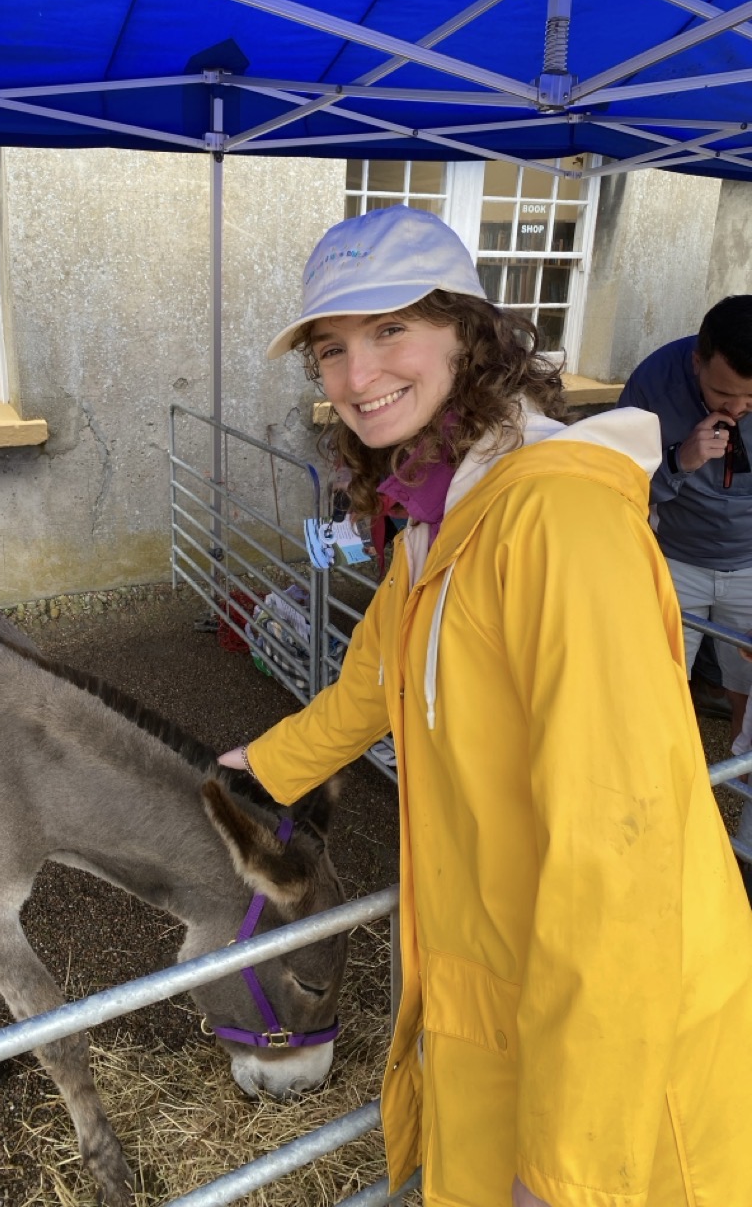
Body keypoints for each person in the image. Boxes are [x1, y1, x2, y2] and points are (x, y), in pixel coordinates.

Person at [218, 204, 752, 1207]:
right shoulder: (438, 513)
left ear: (471, 332)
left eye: (390, 330)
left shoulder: (556, 522)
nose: (357, 375)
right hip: (501, 998)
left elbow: (620, 858)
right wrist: (257, 774)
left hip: (617, 1072)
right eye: (331, 348)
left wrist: (569, 1170)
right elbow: (374, 679)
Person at [616, 297, 752, 742]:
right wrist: (678, 461)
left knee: (748, 701)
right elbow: (617, 488)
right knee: (655, 693)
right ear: (697, 361)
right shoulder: (653, 384)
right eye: (723, 394)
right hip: (674, 560)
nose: (736, 409)